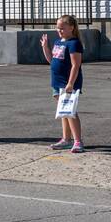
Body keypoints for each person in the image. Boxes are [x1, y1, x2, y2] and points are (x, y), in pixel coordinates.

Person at [41, 14, 84, 153]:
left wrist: (70, 83)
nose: (59, 31)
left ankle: (77, 141)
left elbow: (75, 65)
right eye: (57, 28)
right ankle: (66, 139)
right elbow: (51, 60)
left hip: (67, 83)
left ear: (71, 27)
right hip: (57, 82)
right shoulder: (58, 42)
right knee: (63, 112)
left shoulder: (74, 43)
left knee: (70, 112)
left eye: (62, 28)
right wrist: (45, 47)